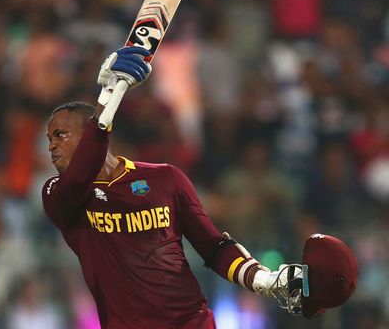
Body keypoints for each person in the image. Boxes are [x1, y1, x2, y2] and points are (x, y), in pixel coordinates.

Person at [41, 46, 341, 328]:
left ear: (88, 130)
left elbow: (212, 247)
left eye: (60, 134)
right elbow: (81, 175)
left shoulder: (166, 178)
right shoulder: (58, 194)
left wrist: (264, 279)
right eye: (49, 139)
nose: (52, 146)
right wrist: (110, 95)